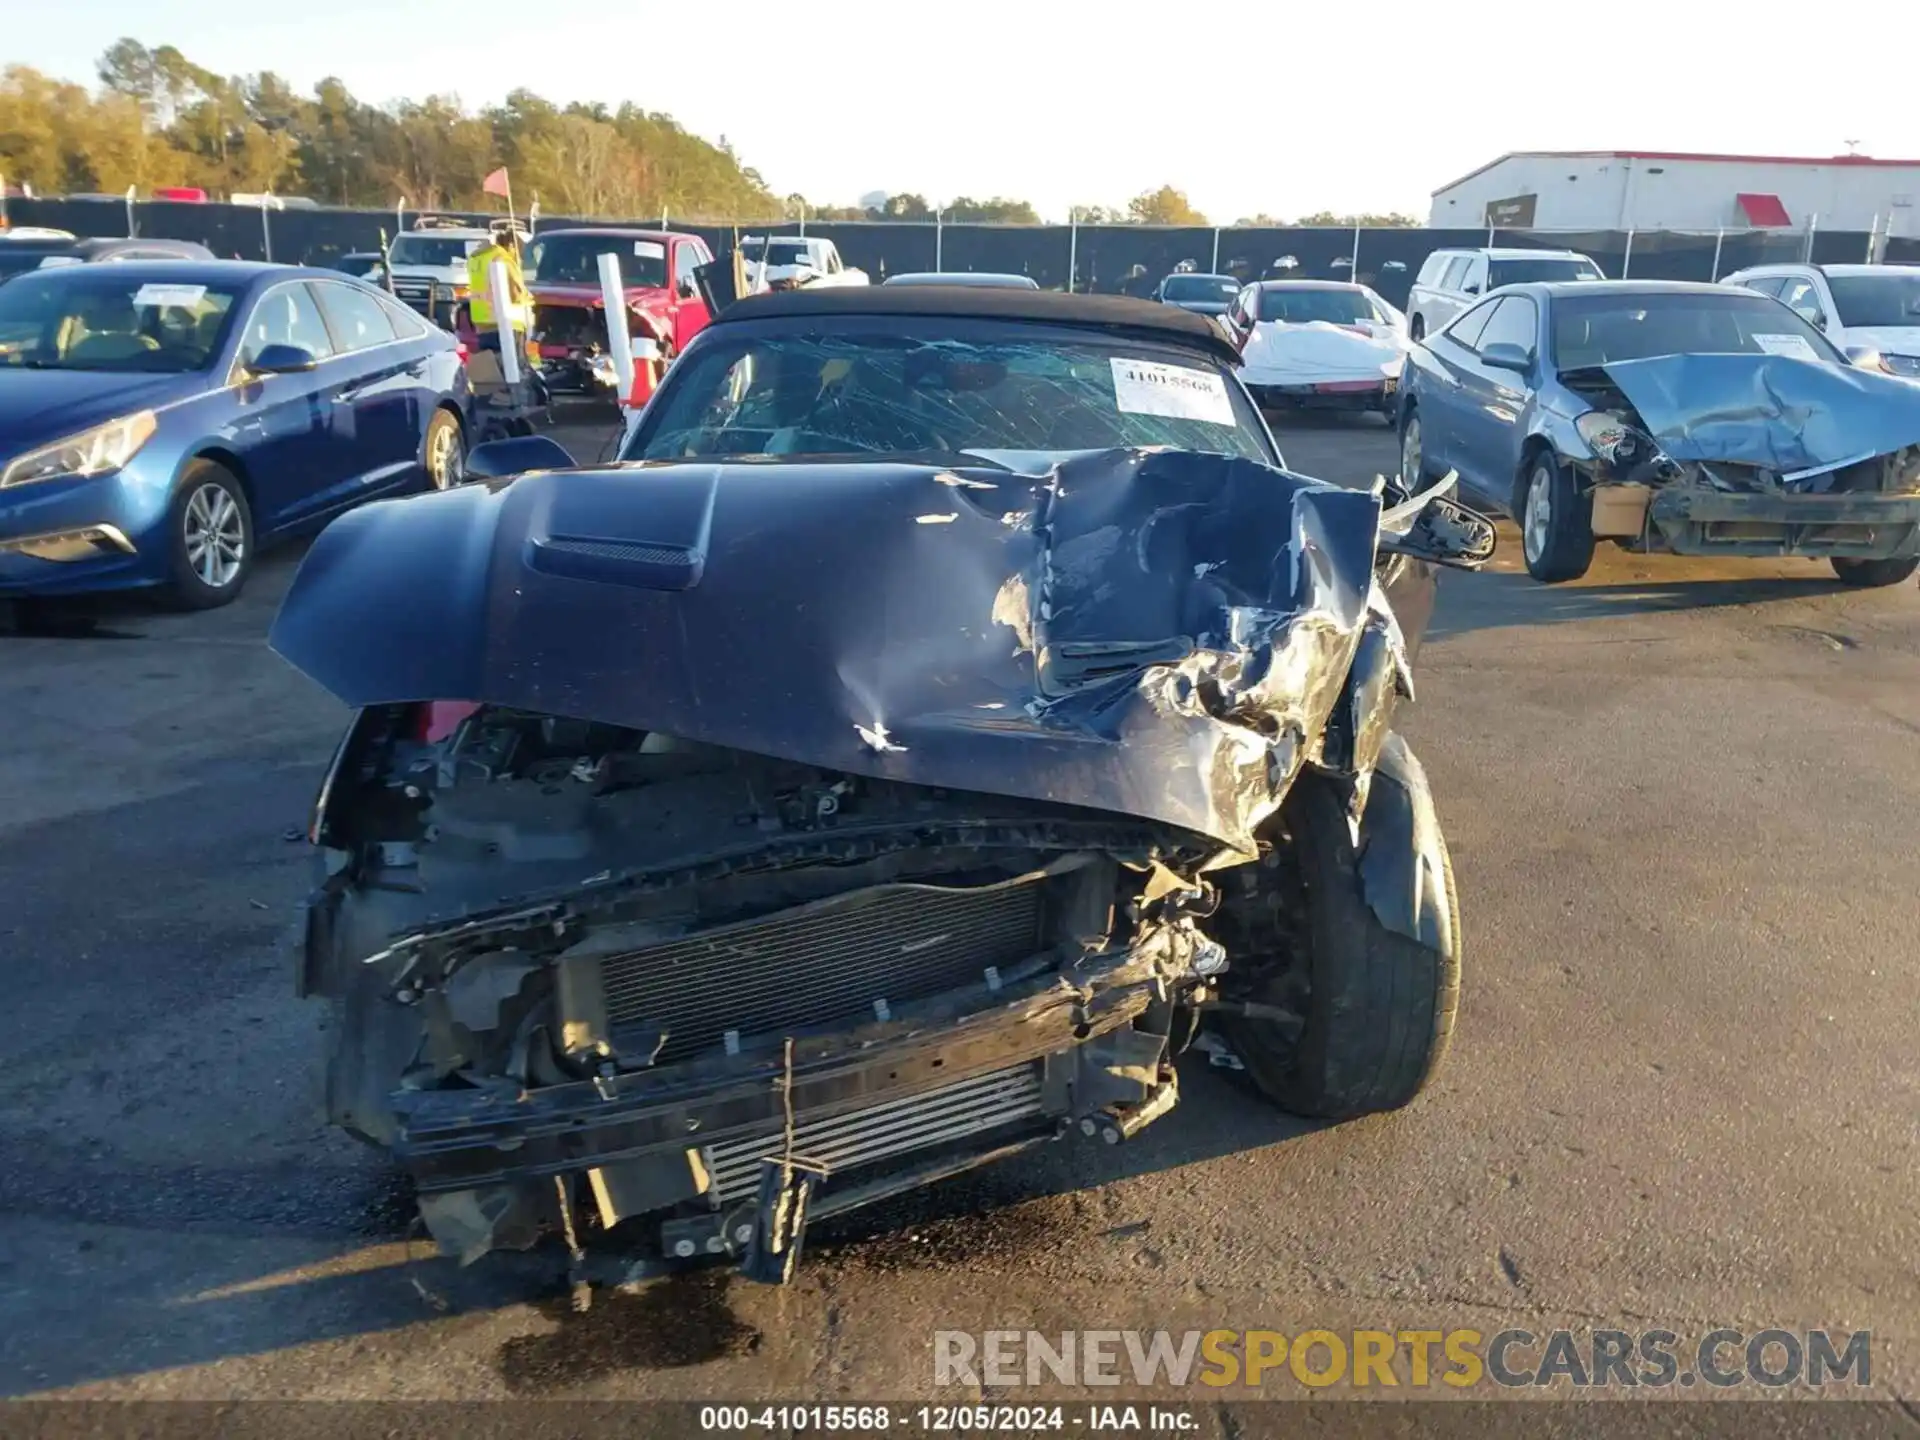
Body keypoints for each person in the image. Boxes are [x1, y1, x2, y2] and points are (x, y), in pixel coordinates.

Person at [466, 219, 532, 370]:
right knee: (512, 370)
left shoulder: (477, 258)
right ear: (511, 245)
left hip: (482, 322)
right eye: (518, 250)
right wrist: (528, 299)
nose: (518, 256)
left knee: (491, 370)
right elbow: (515, 292)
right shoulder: (503, 259)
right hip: (509, 323)